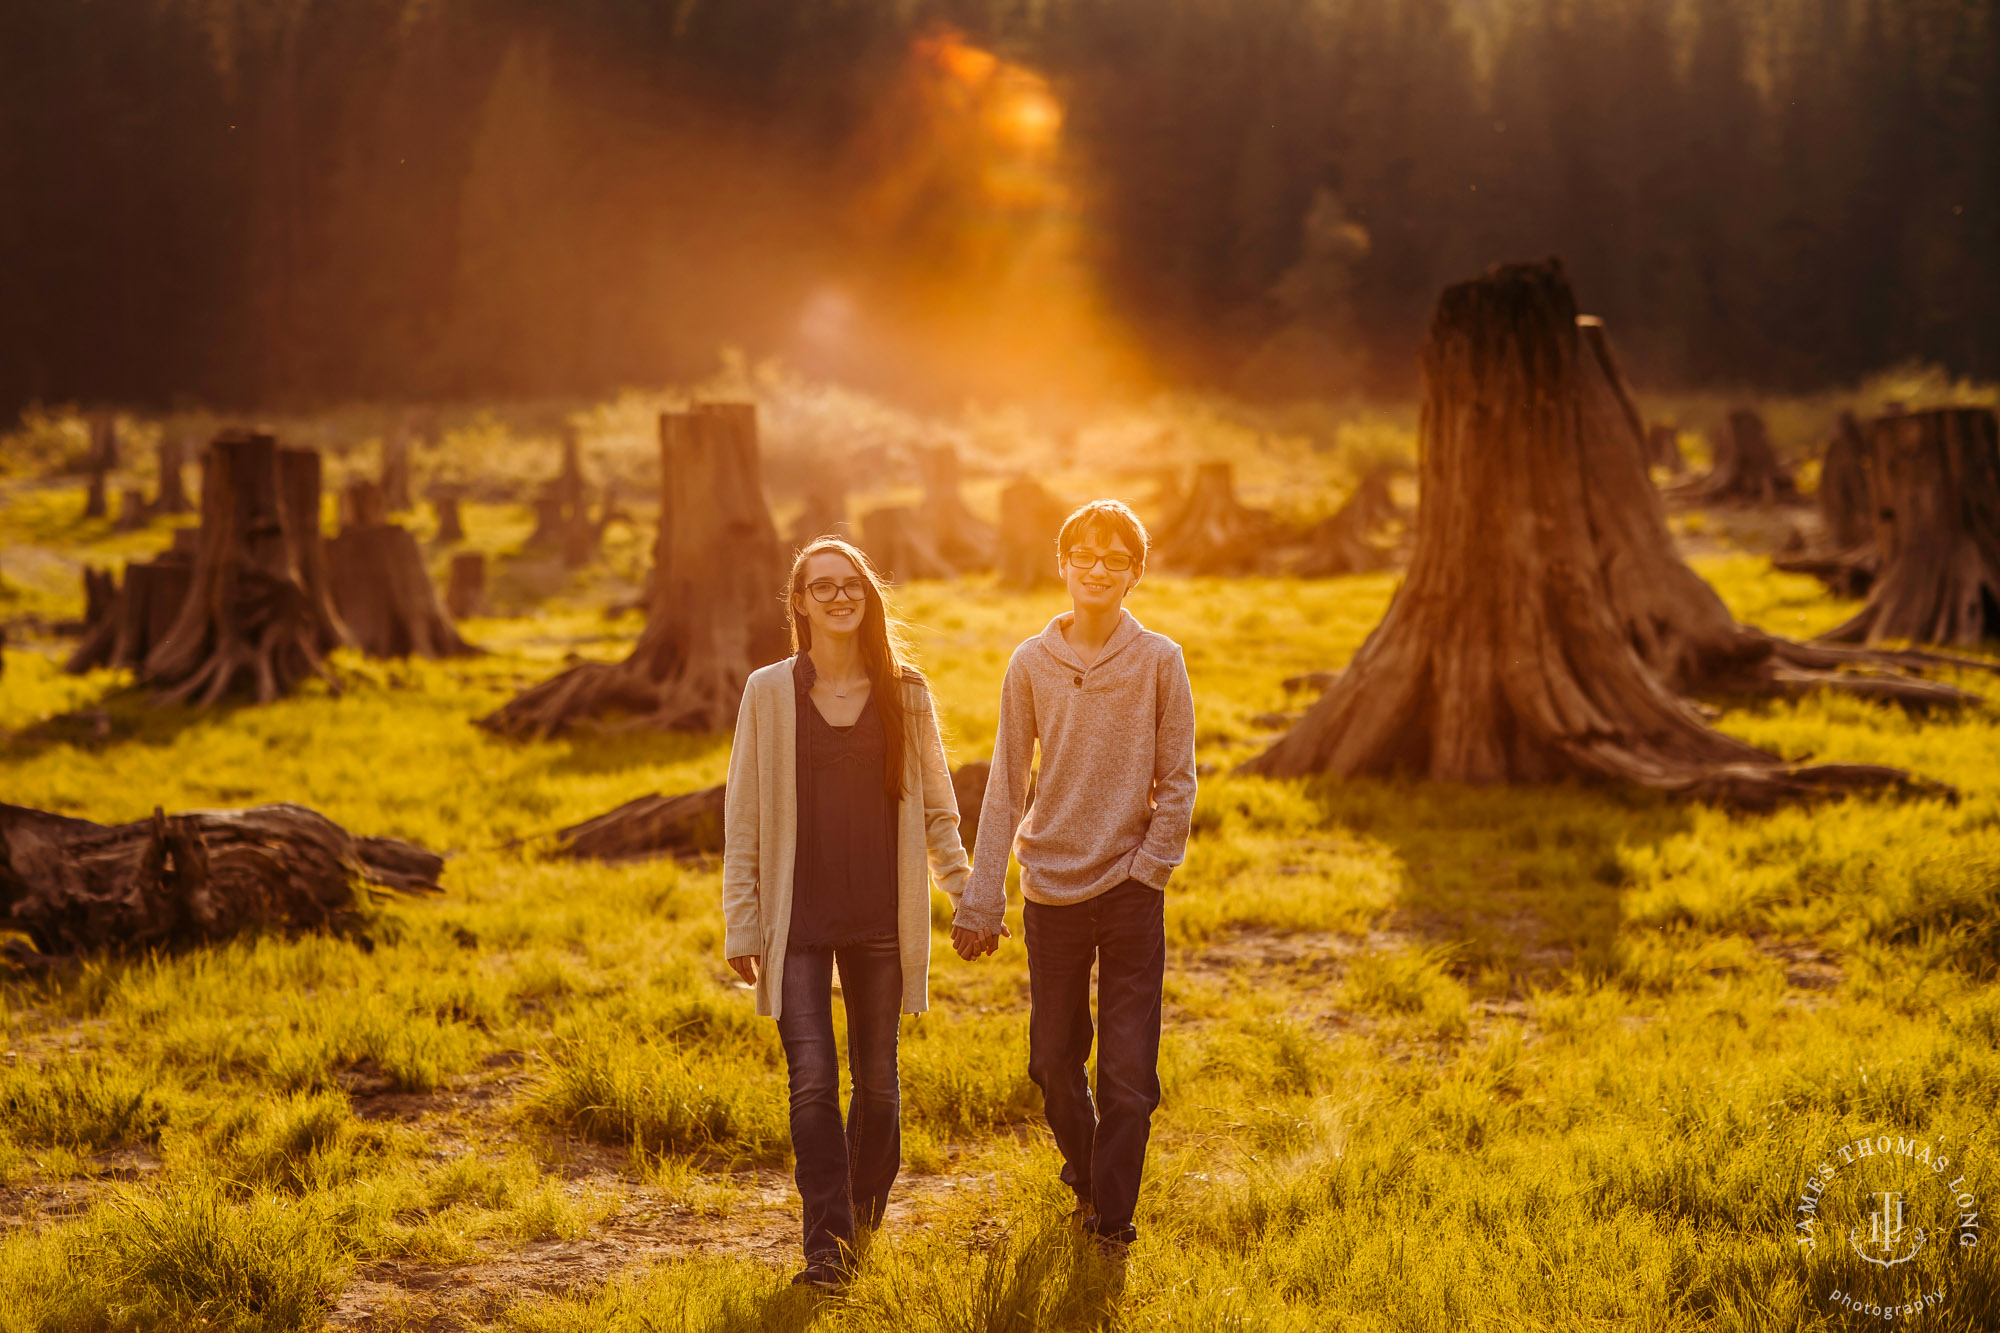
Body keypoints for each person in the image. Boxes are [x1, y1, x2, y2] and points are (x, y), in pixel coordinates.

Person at [721, 537, 973, 1290]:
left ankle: (861, 1224)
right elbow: (743, 818)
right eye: (820, 586)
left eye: (850, 584)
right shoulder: (768, 692)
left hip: (880, 922)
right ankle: (824, 1247)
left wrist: (968, 890)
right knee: (811, 1083)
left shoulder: (906, 692)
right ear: (798, 602)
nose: (838, 596)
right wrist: (742, 920)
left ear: (867, 595)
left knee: (880, 1084)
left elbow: (937, 808)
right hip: (796, 921)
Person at [953, 498, 1198, 1257]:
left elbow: (1179, 779)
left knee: (1128, 1071)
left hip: (1129, 892)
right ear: (1063, 565)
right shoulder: (1031, 662)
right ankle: (1090, 1176)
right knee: (1054, 1060)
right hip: (1049, 892)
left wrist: (1149, 871)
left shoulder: (1160, 659)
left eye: (1115, 558)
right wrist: (981, 895)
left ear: (1134, 574)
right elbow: (1005, 784)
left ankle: (1112, 1218)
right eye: (1084, 555)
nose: (1098, 568)